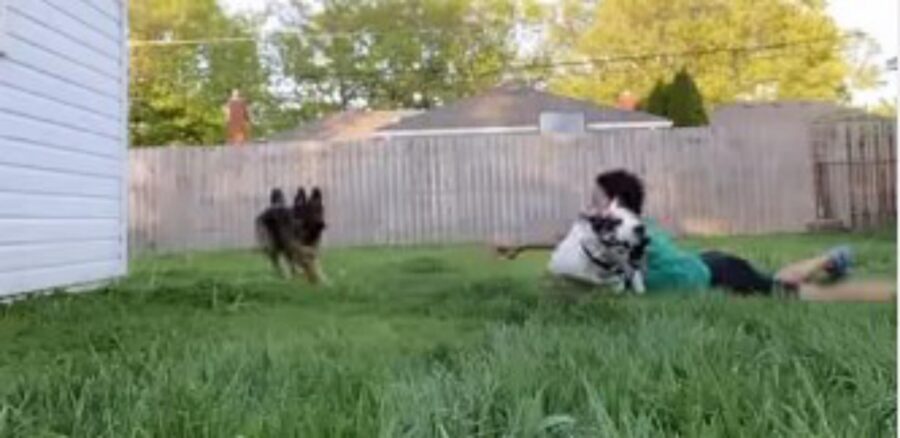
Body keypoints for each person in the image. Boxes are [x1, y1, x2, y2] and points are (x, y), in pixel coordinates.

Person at [496, 169, 895, 302]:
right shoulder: (621, 232)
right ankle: (829, 260)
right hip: (707, 262)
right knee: (774, 282)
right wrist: (520, 245)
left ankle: (876, 286)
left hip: (716, 272)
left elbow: (579, 248)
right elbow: (568, 243)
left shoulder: (629, 234)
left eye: (601, 202)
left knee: (794, 294)